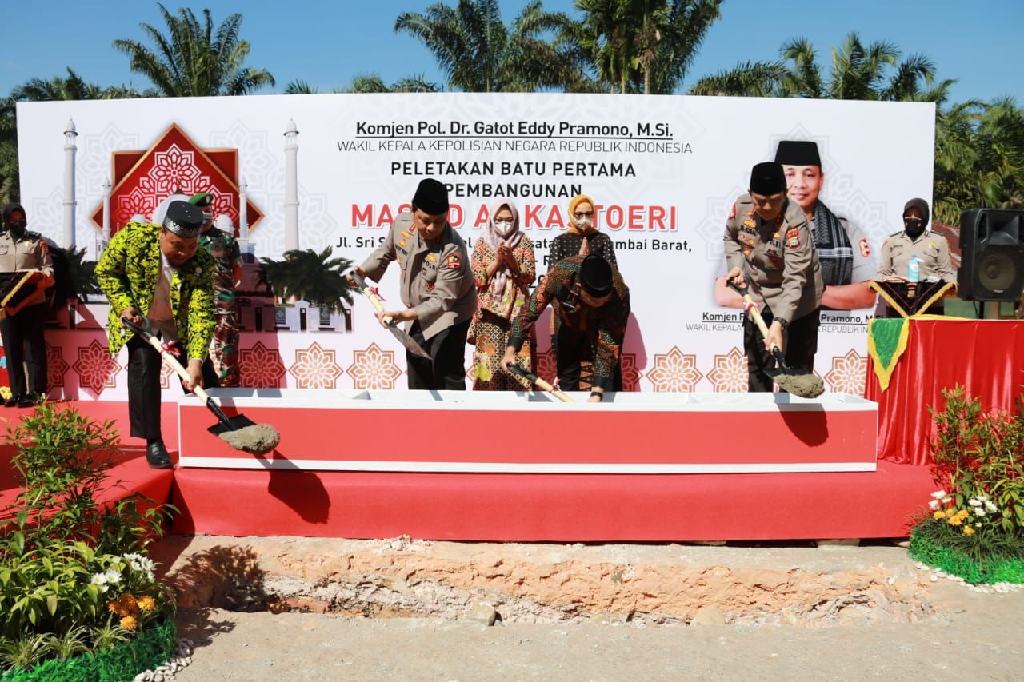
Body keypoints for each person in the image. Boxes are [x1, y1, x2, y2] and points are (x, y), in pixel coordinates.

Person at [96, 200, 215, 468]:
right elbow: (106, 272)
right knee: (144, 366)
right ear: (162, 232)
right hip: (140, 315)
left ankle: (208, 433)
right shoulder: (133, 239)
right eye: (177, 245)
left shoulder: (203, 262)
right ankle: (153, 441)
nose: (184, 253)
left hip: (178, 320)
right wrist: (124, 305)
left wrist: (196, 360)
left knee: (202, 375)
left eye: (191, 246)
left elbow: (201, 313)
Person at [714, 140, 875, 310]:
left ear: (821, 180)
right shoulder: (749, 228)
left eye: (809, 175)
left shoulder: (846, 231)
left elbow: (869, 294)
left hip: (828, 326)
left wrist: (808, 292)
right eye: (790, 175)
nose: (800, 184)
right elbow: (723, 293)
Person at [351, 178, 476, 390]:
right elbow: (386, 251)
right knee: (417, 363)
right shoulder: (401, 225)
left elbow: (442, 300)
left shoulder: (453, 249)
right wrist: (362, 272)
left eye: (439, 221)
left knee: (445, 367)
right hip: (416, 308)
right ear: (413, 211)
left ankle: (453, 409)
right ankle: (419, 409)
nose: (431, 228)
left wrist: (403, 315)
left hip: (451, 311)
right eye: (425, 220)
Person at [723, 162, 824, 392]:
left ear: (786, 194)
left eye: (775, 201)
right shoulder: (741, 207)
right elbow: (731, 238)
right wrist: (736, 266)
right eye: (760, 201)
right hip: (759, 297)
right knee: (759, 370)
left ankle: (796, 412)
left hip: (799, 302)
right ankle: (759, 414)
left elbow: (795, 279)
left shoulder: (795, 222)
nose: (767, 207)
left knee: (796, 373)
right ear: (750, 195)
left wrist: (779, 323)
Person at [501, 254, 629, 402]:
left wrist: (597, 394)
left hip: (601, 328)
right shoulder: (560, 274)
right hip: (568, 323)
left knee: (608, 384)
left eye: (604, 301)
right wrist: (511, 350)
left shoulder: (619, 294)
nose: (600, 303)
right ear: (580, 288)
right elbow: (529, 313)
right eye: (595, 301)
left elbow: (608, 345)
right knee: (567, 376)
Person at [469, 201, 537, 390]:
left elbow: (530, 276)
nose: (504, 224)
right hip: (489, 313)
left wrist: (513, 262)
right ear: (492, 220)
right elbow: (477, 278)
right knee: (489, 367)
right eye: (499, 220)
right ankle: (489, 406)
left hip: (518, 312)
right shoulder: (483, 242)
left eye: (508, 219)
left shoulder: (523, 241)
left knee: (518, 364)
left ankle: (521, 405)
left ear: (515, 220)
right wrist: (498, 261)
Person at [0, 203, 54, 407]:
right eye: (13, 219)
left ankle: (36, 393)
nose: (18, 222)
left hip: (32, 302)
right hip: (7, 304)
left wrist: (42, 275)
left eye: (21, 218)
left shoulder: (36, 241)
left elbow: (48, 268)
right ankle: (17, 393)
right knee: (11, 348)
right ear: (6, 221)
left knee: (34, 349)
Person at [191, 193, 242, 388]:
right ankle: (200, 391)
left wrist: (224, 291)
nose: (206, 215)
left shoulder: (225, 239)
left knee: (227, 352)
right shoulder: (186, 240)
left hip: (223, 307)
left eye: (208, 211)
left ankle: (230, 392)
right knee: (196, 352)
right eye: (201, 212)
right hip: (195, 306)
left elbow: (237, 270)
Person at [877, 198, 957, 284]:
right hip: (897, 291)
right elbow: (883, 273)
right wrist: (883, 279)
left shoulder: (939, 241)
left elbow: (946, 273)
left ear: (925, 218)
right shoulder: (891, 241)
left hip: (929, 291)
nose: (912, 219)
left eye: (917, 216)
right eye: (908, 215)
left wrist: (952, 284)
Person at [548, 193, 617, 268]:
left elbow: (613, 271)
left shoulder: (602, 239)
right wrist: (579, 259)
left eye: (588, 213)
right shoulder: (561, 241)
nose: (584, 218)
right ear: (571, 214)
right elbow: (553, 273)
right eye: (579, 214)